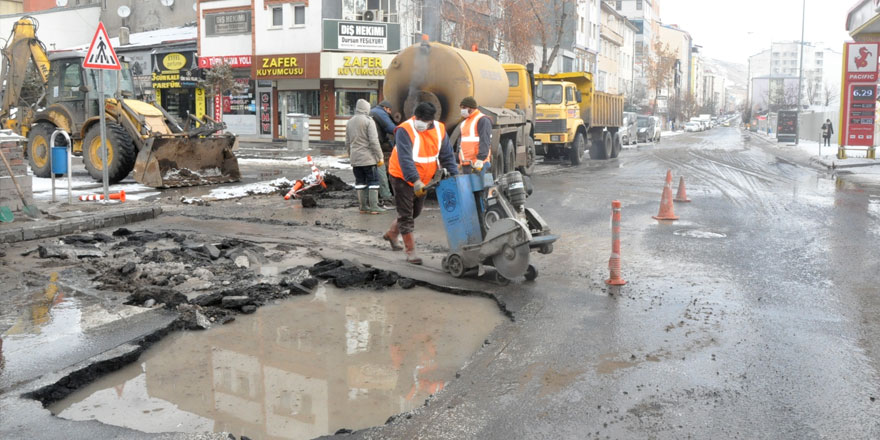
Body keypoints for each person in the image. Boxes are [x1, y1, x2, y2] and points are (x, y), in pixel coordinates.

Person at [383, 102, 459, 264]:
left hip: (424, 178)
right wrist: (415, 180)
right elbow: (405, 159)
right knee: (406, 215)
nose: (419, 122)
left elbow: (446, 155)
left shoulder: (439, 129)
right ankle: (411, 252)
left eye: (423, 120)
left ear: (431, 121)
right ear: (415, 116)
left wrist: (455, 175)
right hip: (402, 177)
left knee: (415, 212)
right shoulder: (405, 130)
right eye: (417, 118)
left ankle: (392, 232)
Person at [345, 99, 385, 214]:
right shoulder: (369, 121)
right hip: (368, 159)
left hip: (355, 159)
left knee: (360, 182)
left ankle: (363, 207)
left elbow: (347, 142)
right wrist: (380, 156)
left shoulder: (350, 122)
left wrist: (350, 155)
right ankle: (374, 207)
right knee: (373, 181)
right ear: (366, 108)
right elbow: (373, 141)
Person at [371, 100, 396, 206]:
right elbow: (391, 128)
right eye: (389, 110)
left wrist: (391, 144)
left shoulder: (372, 113)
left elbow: (383, 135)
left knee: (370, 173)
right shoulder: (380, 112)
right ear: (385, 108)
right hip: (374, 146)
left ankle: (371, 197)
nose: (389, 113)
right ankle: (386, 197)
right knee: (381, 169)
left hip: (364, 148)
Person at [457, 96, 492, 173]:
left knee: (478, 185)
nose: (462, 110)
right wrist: (459, 160)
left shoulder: (482, 120)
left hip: (478, 164)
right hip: (466, 163)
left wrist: (480, 159)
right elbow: (461, 142)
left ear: (471, 108)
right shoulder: (465, 122)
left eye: (464, 108)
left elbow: (485, 140)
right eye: (461, 108)